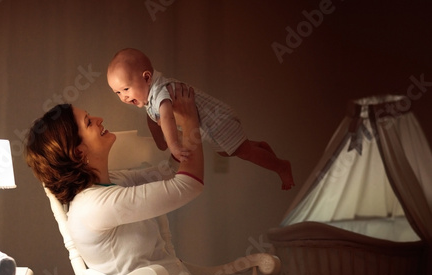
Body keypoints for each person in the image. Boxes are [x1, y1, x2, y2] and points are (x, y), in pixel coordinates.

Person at [24, 83, 314, 275]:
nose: (99, 119)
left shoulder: (114, 182)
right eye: (89, 122)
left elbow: (170, 170)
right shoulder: (93, 206)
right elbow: (188, 184)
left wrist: (164, 117)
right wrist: (189, 122)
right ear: (78, 152)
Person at [107, 48, 295, 190]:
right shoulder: (149, 98)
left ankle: (281, 166)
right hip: (210, 127)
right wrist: (159, 142)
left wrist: (173, 146)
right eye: (117, 92)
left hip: (218, 120)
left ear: (147, 78)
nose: (123, 97)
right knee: (227, 152)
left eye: (126, 89)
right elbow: (152, 119)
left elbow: (166, 117)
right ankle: (260, 147)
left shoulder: (161, 90)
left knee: (243, 151)